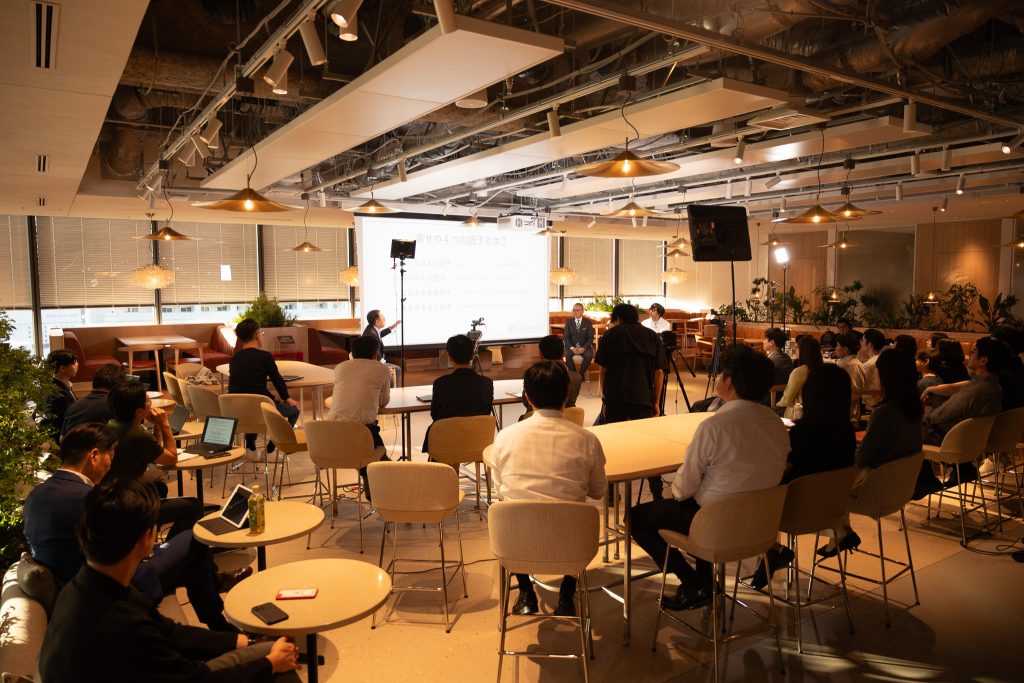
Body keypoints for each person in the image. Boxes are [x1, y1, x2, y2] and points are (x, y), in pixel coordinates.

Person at [38, 477, 300, 683]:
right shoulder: (122, 623)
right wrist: (270, 664)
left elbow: (169, 632)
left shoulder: (86, 586)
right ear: (147, 538)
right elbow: (195, 679)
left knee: (264, 654)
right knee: (279, 670)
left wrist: (247, 642)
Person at [23, 424, 247, 632]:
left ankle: (217, 620)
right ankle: (218, 619)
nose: (110, 463)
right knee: (193, 539)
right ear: (93, 456)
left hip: (73, 586)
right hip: (112, 588)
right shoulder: (89, 501)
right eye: (110, 456)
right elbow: (123, 555)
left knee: (192, 562)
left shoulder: (36, 495)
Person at [631, 345, 789, 610]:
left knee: (636, 518)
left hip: (716, 524)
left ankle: (694, 583)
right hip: (760, 522)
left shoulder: (714, 426)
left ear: (729, 382)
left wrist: (682, 492)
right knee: (703, 502)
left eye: (722, 373)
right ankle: (702, 582)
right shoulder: (776, 424)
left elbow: (682, 489)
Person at [490, 360, 606, 617]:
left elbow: (501, 491)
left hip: (515, 544)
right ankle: (567, 593)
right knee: (575, 515)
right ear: (566, 394)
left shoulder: (505, 437)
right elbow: (598, 492)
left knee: (513, 511)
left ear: (527, 397)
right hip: (572, 545)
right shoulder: (587, 439)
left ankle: (525, 593)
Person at [749, 364, 855, 588]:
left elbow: (780, 471)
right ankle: (841, 530)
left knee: (751, 493)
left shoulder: (804, 432)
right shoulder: (846, 430)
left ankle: (773, 549)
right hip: (829, 507)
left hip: (794, 510)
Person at [821, 349, 922, 552]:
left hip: (874, 487)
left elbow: (864, 457)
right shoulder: (915, 408)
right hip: (898, 487)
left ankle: (841, 533)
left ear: (886, 375)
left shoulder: (884, 413)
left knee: (821, 487)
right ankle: (841, 533)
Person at [915, 337, 1008, 496]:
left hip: (952, 441)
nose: (968, 356)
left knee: (904, 431)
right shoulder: (994, 386)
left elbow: (939, 415)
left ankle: (924, 481)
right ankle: (964, 470)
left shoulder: (975, 391)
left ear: (983, 360)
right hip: (972, 442)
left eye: (973, 352)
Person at [594, 303, 665, 497]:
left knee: (612, 444)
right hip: (643, 399)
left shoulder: (610, 335)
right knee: (649, 447)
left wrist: (604, 397)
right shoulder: (652, 336)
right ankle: (657, 492)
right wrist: (656, 402)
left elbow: (603, 370)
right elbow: (659, 373)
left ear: (617, 318)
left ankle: (611, 492)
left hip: (616, 398)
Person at [327, 334, 391, 498]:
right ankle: (381, 494)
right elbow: (383, 402)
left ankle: (373, 487)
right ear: (374, 354)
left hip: (331, 435)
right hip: (361, 434)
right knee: (377, 454)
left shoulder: (340, 367)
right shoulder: (382, 369)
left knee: (372, 450)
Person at [228, 319, 300, 452]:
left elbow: (241, 386)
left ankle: (250, 446)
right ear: (257, 335)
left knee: (251, 401)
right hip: (262, 409)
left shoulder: (234, 359)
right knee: (294, 411)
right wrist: (287, 397)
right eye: (261, 333)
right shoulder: (264, 356)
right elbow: (277, 379)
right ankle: (273, 445)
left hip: (239, 411)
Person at [424, 334, 494, 452]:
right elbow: (486, 412)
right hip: (477, 442)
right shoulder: (487, 383)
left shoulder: (441, 384)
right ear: (472, 355)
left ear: (450, 357)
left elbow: (435, 415)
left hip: (445, 444)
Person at [61, 363, 124, 436]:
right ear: (119, 386)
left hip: (69, 446)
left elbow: (62, 438)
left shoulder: (73, 406)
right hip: (96, 446)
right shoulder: (114, 405)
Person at [521, 335, 581, 412]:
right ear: (563, 353)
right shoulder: (576, 378)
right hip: (569, 420)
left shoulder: (533, 376)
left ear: (541, 354)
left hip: (534, 419)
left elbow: (526, 402)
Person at [777, 336, 823, 418]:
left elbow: (786, 400)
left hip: (798, 415)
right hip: (818, 415)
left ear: (804, 351)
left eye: (797, 347)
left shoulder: (799, 372)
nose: (795, 350)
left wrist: (777, 404)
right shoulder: (823, 370)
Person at [43, 348, 78, 436]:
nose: (77, 364)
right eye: (74, 363)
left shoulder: (60, 384)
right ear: (62, 368)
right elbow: (68, 419)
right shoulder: (58, 393)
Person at [562, 303, 595, 377]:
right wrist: (572, 348)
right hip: (571, 346)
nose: (574, 312)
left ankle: (580, 374)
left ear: (582, 311)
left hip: (584, 347)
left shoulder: (588, 322)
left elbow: (590, 338)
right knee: (567, 354)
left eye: (577, 310)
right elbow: (565, 337)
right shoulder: (569, 322)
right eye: (573, 310)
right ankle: (574, 375)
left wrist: (584, 348)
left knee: (589, 355)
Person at [860, 328, 887, 409]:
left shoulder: (868, 365)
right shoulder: (883, 359)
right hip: (882, 403)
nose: (861, 343)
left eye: (862, 341)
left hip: (869, 406)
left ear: (870, 344)